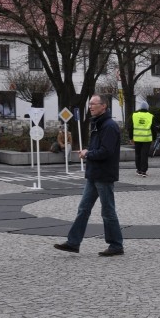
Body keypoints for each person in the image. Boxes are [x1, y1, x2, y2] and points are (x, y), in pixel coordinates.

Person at [54, 95, 124, 256]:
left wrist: (88, 153)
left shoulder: (109, 126)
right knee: (83, 209)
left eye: (94, 104)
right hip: (94, 174)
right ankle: (73, 243)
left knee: (108, 211)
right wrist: (88, 153)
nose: (90, 107)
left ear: (104, 106)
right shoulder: (98, 124)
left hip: (104, 174)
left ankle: (116, 245)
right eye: (90, 104)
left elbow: (106, 151)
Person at [128, 101, 156, 177]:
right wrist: (154, 138)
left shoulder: (134, 115)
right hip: (147, 139)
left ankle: (138, 170)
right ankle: (144, 171)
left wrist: (131, 138)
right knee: (144, 155)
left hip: (137, 138)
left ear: (140, 108)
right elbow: (153, 128)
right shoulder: (150, 116)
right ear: (147, 108)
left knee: (138, 154)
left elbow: (131, 127)